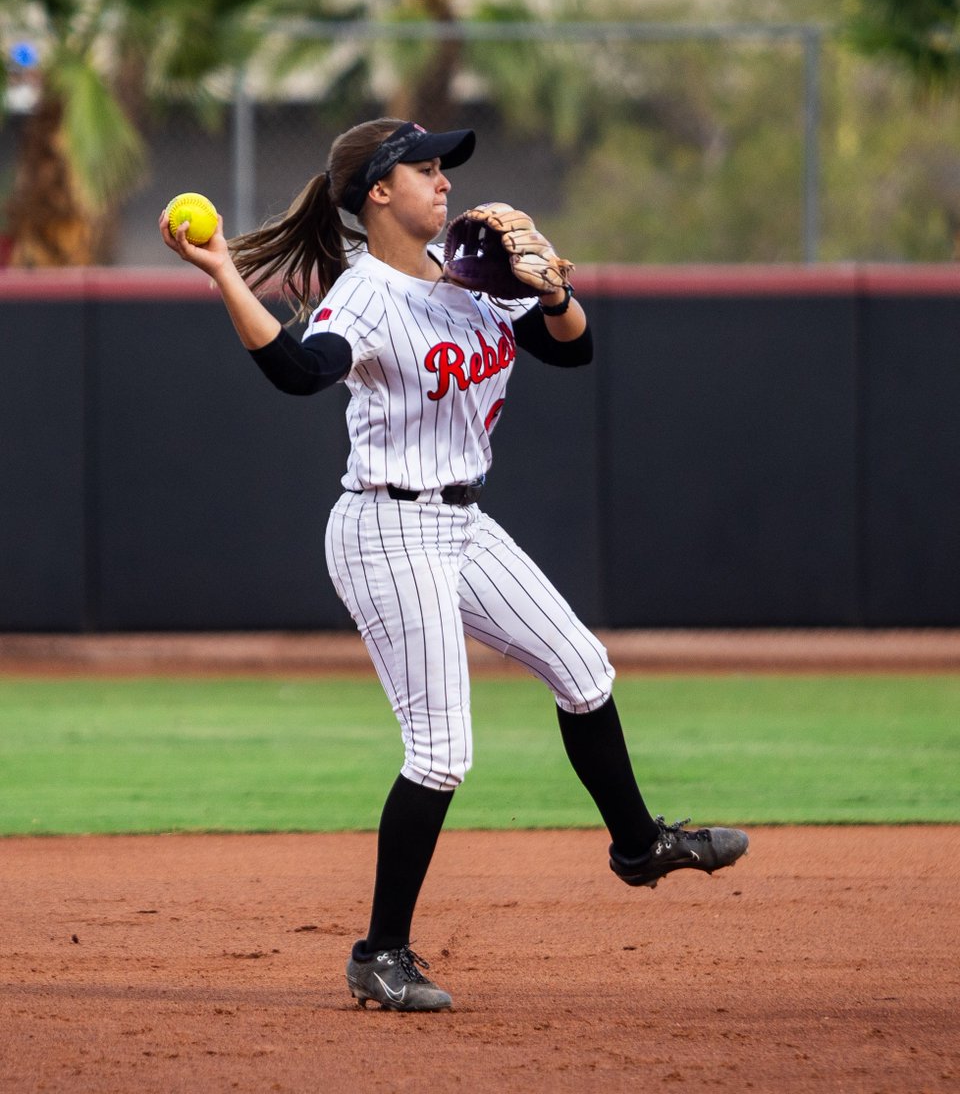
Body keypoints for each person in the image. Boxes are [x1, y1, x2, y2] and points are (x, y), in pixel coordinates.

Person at [159, 117, 749, 1013]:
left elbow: (572, 346)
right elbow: (296, 371)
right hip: (386, 527)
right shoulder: (363, 295)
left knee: (585, 669)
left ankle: (638, 846)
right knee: (440, 751)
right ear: (377, 193)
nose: (444, 181)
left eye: (444, 167)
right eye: (424, 168)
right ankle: (379, 954)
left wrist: (552, 291)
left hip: (463, 521)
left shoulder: (470, 272)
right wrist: (227, 276)